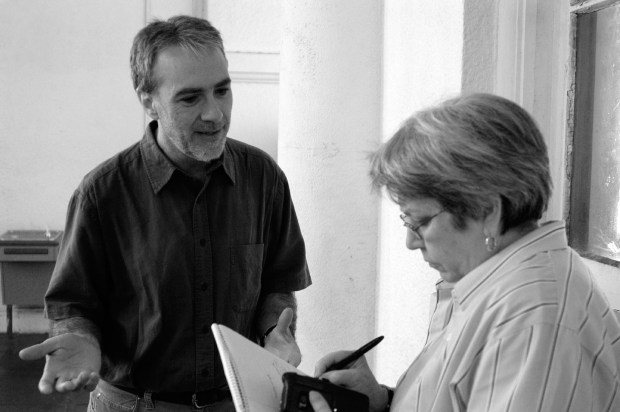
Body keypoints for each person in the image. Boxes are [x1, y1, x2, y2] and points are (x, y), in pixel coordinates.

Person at [18, 15, 311, 411]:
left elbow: (279, 280)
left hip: (238, 402)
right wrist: (82, 340)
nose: (215, 114)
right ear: (147, 100)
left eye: (222, 91)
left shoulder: (264, 179)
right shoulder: (101, 195)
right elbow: (74, 304)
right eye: (190, 98)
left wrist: (276, 333)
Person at [309, 93, 620, 411]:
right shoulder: (497, 283)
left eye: (419, 222)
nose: (411, 242)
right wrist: (382, 401)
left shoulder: (531, 322)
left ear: (488, 211)